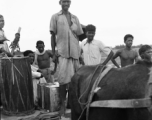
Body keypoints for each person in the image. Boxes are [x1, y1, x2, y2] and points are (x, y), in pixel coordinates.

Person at [50, 0, 84, 115]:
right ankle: (62, 105)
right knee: (63, 80)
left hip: (75, 53)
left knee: (75, 80)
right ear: (60, 3)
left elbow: (79, 36)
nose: (66, 3)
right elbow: (53, 35)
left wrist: (80, 54)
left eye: (68, 1)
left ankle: (74, 104)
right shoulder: (55, 17)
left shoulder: (75, 18)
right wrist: (54, 52)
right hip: (63, 52)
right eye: (64, 1)